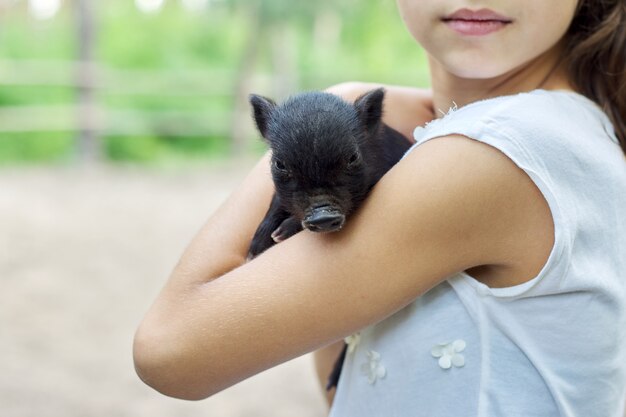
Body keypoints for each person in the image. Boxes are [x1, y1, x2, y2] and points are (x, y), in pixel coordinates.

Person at [133, 0, 626, 415]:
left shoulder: (492, 154)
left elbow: (169, 352)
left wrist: (335, 103)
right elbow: (340, 380)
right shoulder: (576, 123)